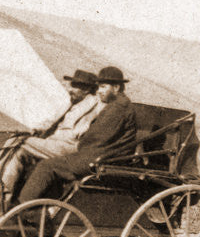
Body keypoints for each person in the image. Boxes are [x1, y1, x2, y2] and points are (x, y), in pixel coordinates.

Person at [16, 65, 138, 205]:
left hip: (98, 159)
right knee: (49, 163)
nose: (99, 91)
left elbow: (96, 138)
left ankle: (26, 209)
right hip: (97, 156)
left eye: (103, 87)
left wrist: (82, 143)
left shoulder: (118, 108)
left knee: (47, 166)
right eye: (98, 87)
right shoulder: (117, 105)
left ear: (116, 88)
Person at [0, 69, 100, 202]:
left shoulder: (95, 104)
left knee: (19, 141)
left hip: (69, 147)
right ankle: (3, 193)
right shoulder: (72, 102)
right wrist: (35, 129)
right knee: (19, 152)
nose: (70, 89)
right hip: (53, 144)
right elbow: (51, 121)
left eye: (75, 86)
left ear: (86, 90)